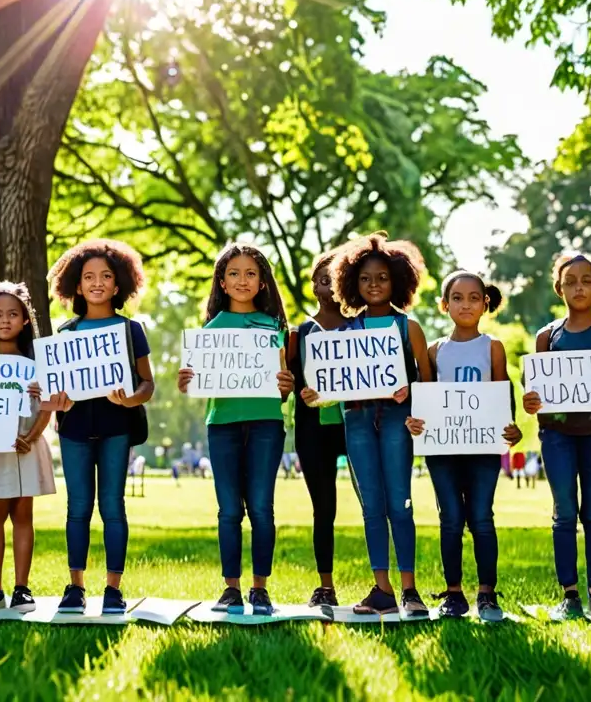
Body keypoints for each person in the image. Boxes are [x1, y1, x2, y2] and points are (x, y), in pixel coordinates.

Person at [306, 232, 432, 618]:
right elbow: (328, 384)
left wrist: (409, 393)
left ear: (398, 281)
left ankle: (410, 590)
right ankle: (383, 589)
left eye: (381, 277)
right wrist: (316, 394)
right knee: (371, 507)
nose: (373, 284)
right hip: (356, 420)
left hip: (395, 421)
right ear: (351, 284)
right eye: (364, 278)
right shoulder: (344, 333)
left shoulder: (407, 328)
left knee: (400, 503)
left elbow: (427, 382)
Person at [177, 243, 295, 615]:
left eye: (250, 274)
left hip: (266, 424)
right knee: (229, 510)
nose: (242, 280)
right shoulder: (209, 331)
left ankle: (260, 588)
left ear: (262, 282)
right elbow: (200, 383)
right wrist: (187, 381)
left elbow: (283, 384)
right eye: (233, 273)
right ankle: (231, 589)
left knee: (261, 507)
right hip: (223, 425)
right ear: (222, 283)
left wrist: (286, 384)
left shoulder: (275, 327)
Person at [41, 239, 155, 615]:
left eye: (106, 276)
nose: (97, 283)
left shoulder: (130, 330)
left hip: (116, 428)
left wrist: (130, 399)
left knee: (112, 506)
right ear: (76, 285)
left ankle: (113, 589)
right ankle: (75, 588)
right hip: (73, 427)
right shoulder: (65, 332)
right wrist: (57, 400)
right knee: (77, 508)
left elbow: (147, 385)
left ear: (119, 284)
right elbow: (54, 387)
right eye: (88, 276)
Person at [522, 253, 591, 623]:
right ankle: (569, 594)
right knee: (564, 513)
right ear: (559, 289)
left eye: (587, 280)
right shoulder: (546, 336)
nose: (579, 286)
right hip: (557, 435)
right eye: (571, 281)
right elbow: (535, 391)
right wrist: (531, 400)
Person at [406, 271, 522, 621]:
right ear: (444, 305)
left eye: (474, 297)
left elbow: (503, 392)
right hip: (443, 450)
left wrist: (512, 427)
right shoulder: (434, 350)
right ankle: (454, 593)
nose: (466, 304)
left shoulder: (493, 347)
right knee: (451, 519)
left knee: (482, 518)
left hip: (483, 449)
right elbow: (424, 396)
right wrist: (416, 422)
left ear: (485, 304)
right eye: (457, 297)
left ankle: (487, 592)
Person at [0, 282, 55, 613]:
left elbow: (47, 406)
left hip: (26, 443)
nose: (5, 321)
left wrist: (30, 435)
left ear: (25, 320)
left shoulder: (38, 362)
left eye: (13, 314)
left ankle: (21, 587)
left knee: (23, 515)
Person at [288, 250, 351, 608]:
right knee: (323, 508)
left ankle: (388, 584)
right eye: (323, 278)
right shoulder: (301, 333)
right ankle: (325, 585)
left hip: (355, 426)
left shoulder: (360, 330)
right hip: (314, 431)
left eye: (337, 278)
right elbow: (287, 380)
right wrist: (299, 388)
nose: (330, 284)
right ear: (313, 286)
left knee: (376, 506)